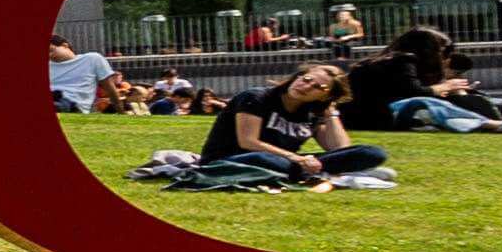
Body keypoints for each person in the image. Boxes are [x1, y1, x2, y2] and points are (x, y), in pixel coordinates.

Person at [140, 61, 392, 191]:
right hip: (232, 158)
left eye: (318, 88)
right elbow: (248, 141)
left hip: (289, 162)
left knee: (373, 153)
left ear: (324, 97)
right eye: (306, 79)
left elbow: (339, 148)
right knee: (273, 161)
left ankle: (321, 171)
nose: (306, 86)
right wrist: (300, 160)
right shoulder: (257, 97)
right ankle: (325, 173)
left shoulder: (312, 112)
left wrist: (330, 112)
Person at [346, 22, 502, 133]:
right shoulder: (403, 60)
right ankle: (493, 123)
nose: (445, 59)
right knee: (431, 103)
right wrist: (446, 86)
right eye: (443, 53)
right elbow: (413, 92)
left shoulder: (386, 62)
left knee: (470, 99)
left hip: (363, 117)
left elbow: (402, 91)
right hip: (373, 118)